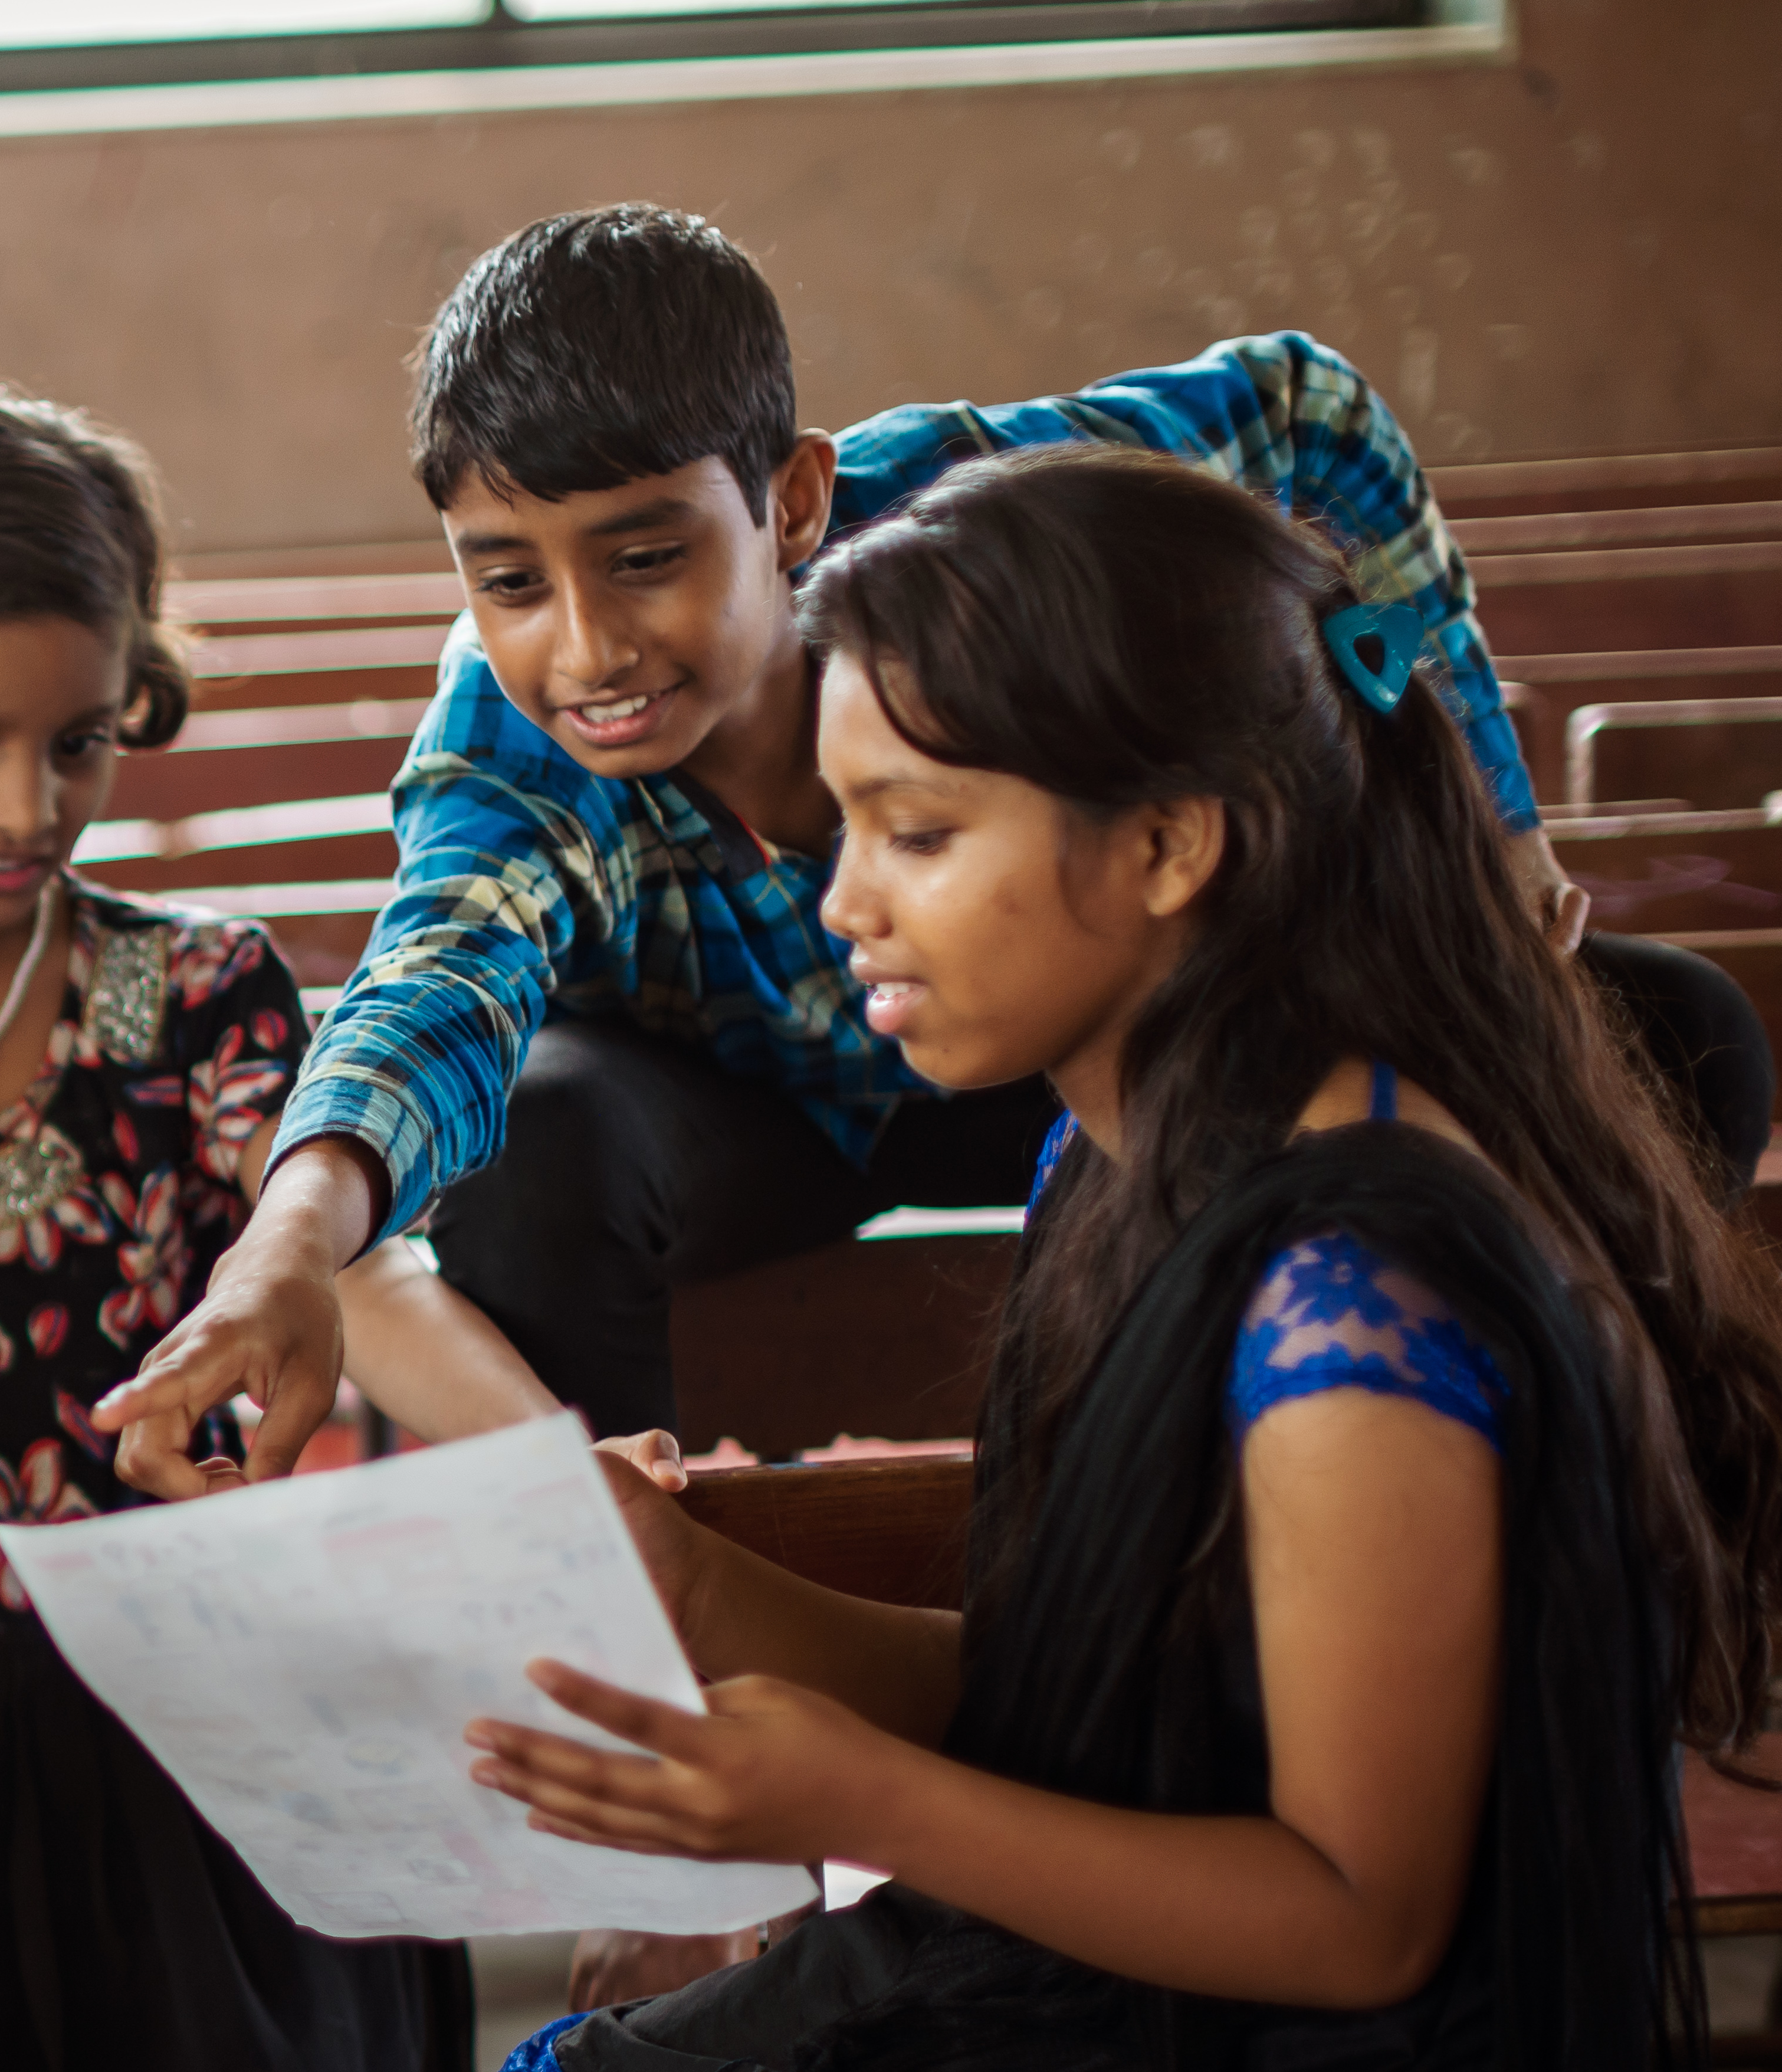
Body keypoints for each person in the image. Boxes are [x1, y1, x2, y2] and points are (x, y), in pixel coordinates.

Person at [91, 202, 1767, 1475]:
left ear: (794, 503)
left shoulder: (972, 517)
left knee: (1666, 1029)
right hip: (751, 1121)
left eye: (647, 555)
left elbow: (1306, 411)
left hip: (1055, 1050)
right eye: (510, 579)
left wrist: (1493, 820)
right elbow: (433, 982)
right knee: (537, 1124)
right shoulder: (507, 736)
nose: (586, 647)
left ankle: (1569, 1521)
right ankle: (637, 1610)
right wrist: (285, 1243)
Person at [467, 443, 1780, 2067]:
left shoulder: (1356, 1303)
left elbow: (1363, 1919)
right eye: (843, 825)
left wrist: (864, 1800)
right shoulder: (1121, 1153)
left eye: (917, 833)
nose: (844, 902)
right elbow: (1093, 1706)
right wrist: (697, 1587)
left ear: (1168, 844)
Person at [0, 388, 558, 2068]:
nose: (27, 806)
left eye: (77, 742)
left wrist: (546, 1460)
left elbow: (356, 1276)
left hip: (177, 1714)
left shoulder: (194, 990)